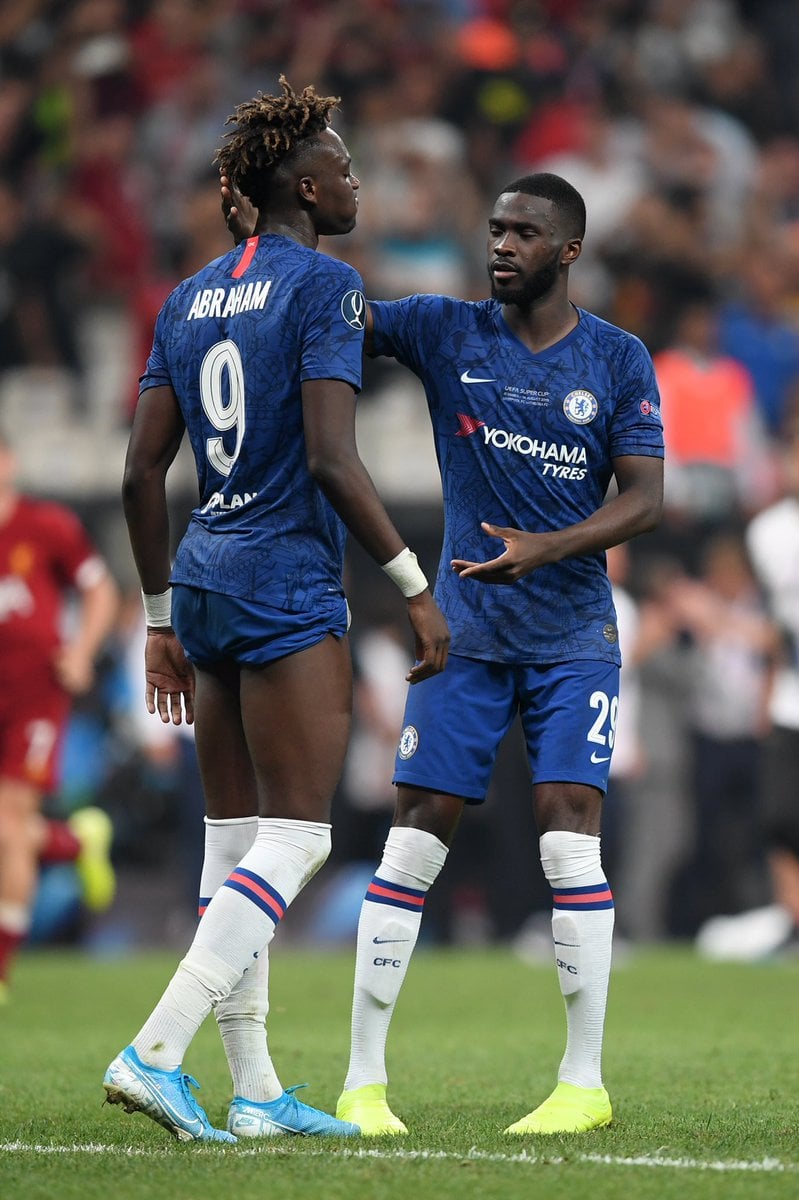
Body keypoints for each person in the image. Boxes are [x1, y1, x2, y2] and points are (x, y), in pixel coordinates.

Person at [223, 169, 664, 1136]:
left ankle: (582, 1082)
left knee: (564, 832)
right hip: (463, 634)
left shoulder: (618, 360)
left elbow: (646, 497)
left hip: (571, 636)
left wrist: (546, 547)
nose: (501, 245)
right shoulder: (442, 327)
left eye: (522, 234)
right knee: (415, 835)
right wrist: (270, 247)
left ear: (568, 250)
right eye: (495, 229)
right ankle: (362, 1083)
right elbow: (343, 314)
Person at [103, 77, 449, 1146]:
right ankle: (154, 1051)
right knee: (298, 838)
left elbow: (136, 473)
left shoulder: (189, 294)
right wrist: (415, 587)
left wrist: (159, 616)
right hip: (284, 580)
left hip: (202, 577)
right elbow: (338, 464)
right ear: (303, 184)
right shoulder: (326, 286)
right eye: (342, 167)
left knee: (231, 843)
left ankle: (253, 1091)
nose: (354, 182)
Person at [0, 432, 119, 999]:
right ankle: (74, 843)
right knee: (11, 832)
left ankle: (0, 971)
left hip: (34, 698)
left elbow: (101, 593)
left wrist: (79, 652)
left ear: (9, 461)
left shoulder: (46, 527)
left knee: (5, 825)